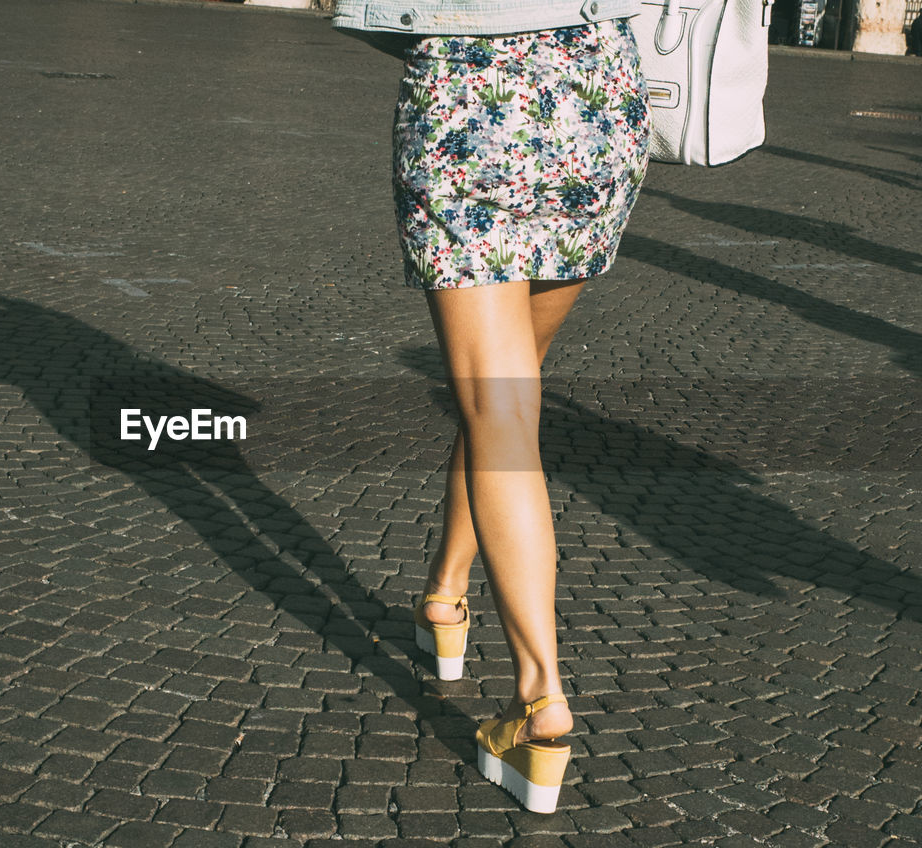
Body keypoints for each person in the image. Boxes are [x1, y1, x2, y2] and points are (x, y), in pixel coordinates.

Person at [333, 0, 650, 814]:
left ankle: (539, 700)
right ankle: (444, 594)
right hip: (595, 91)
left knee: (498, 407)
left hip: (470, 90)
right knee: (506, 394)